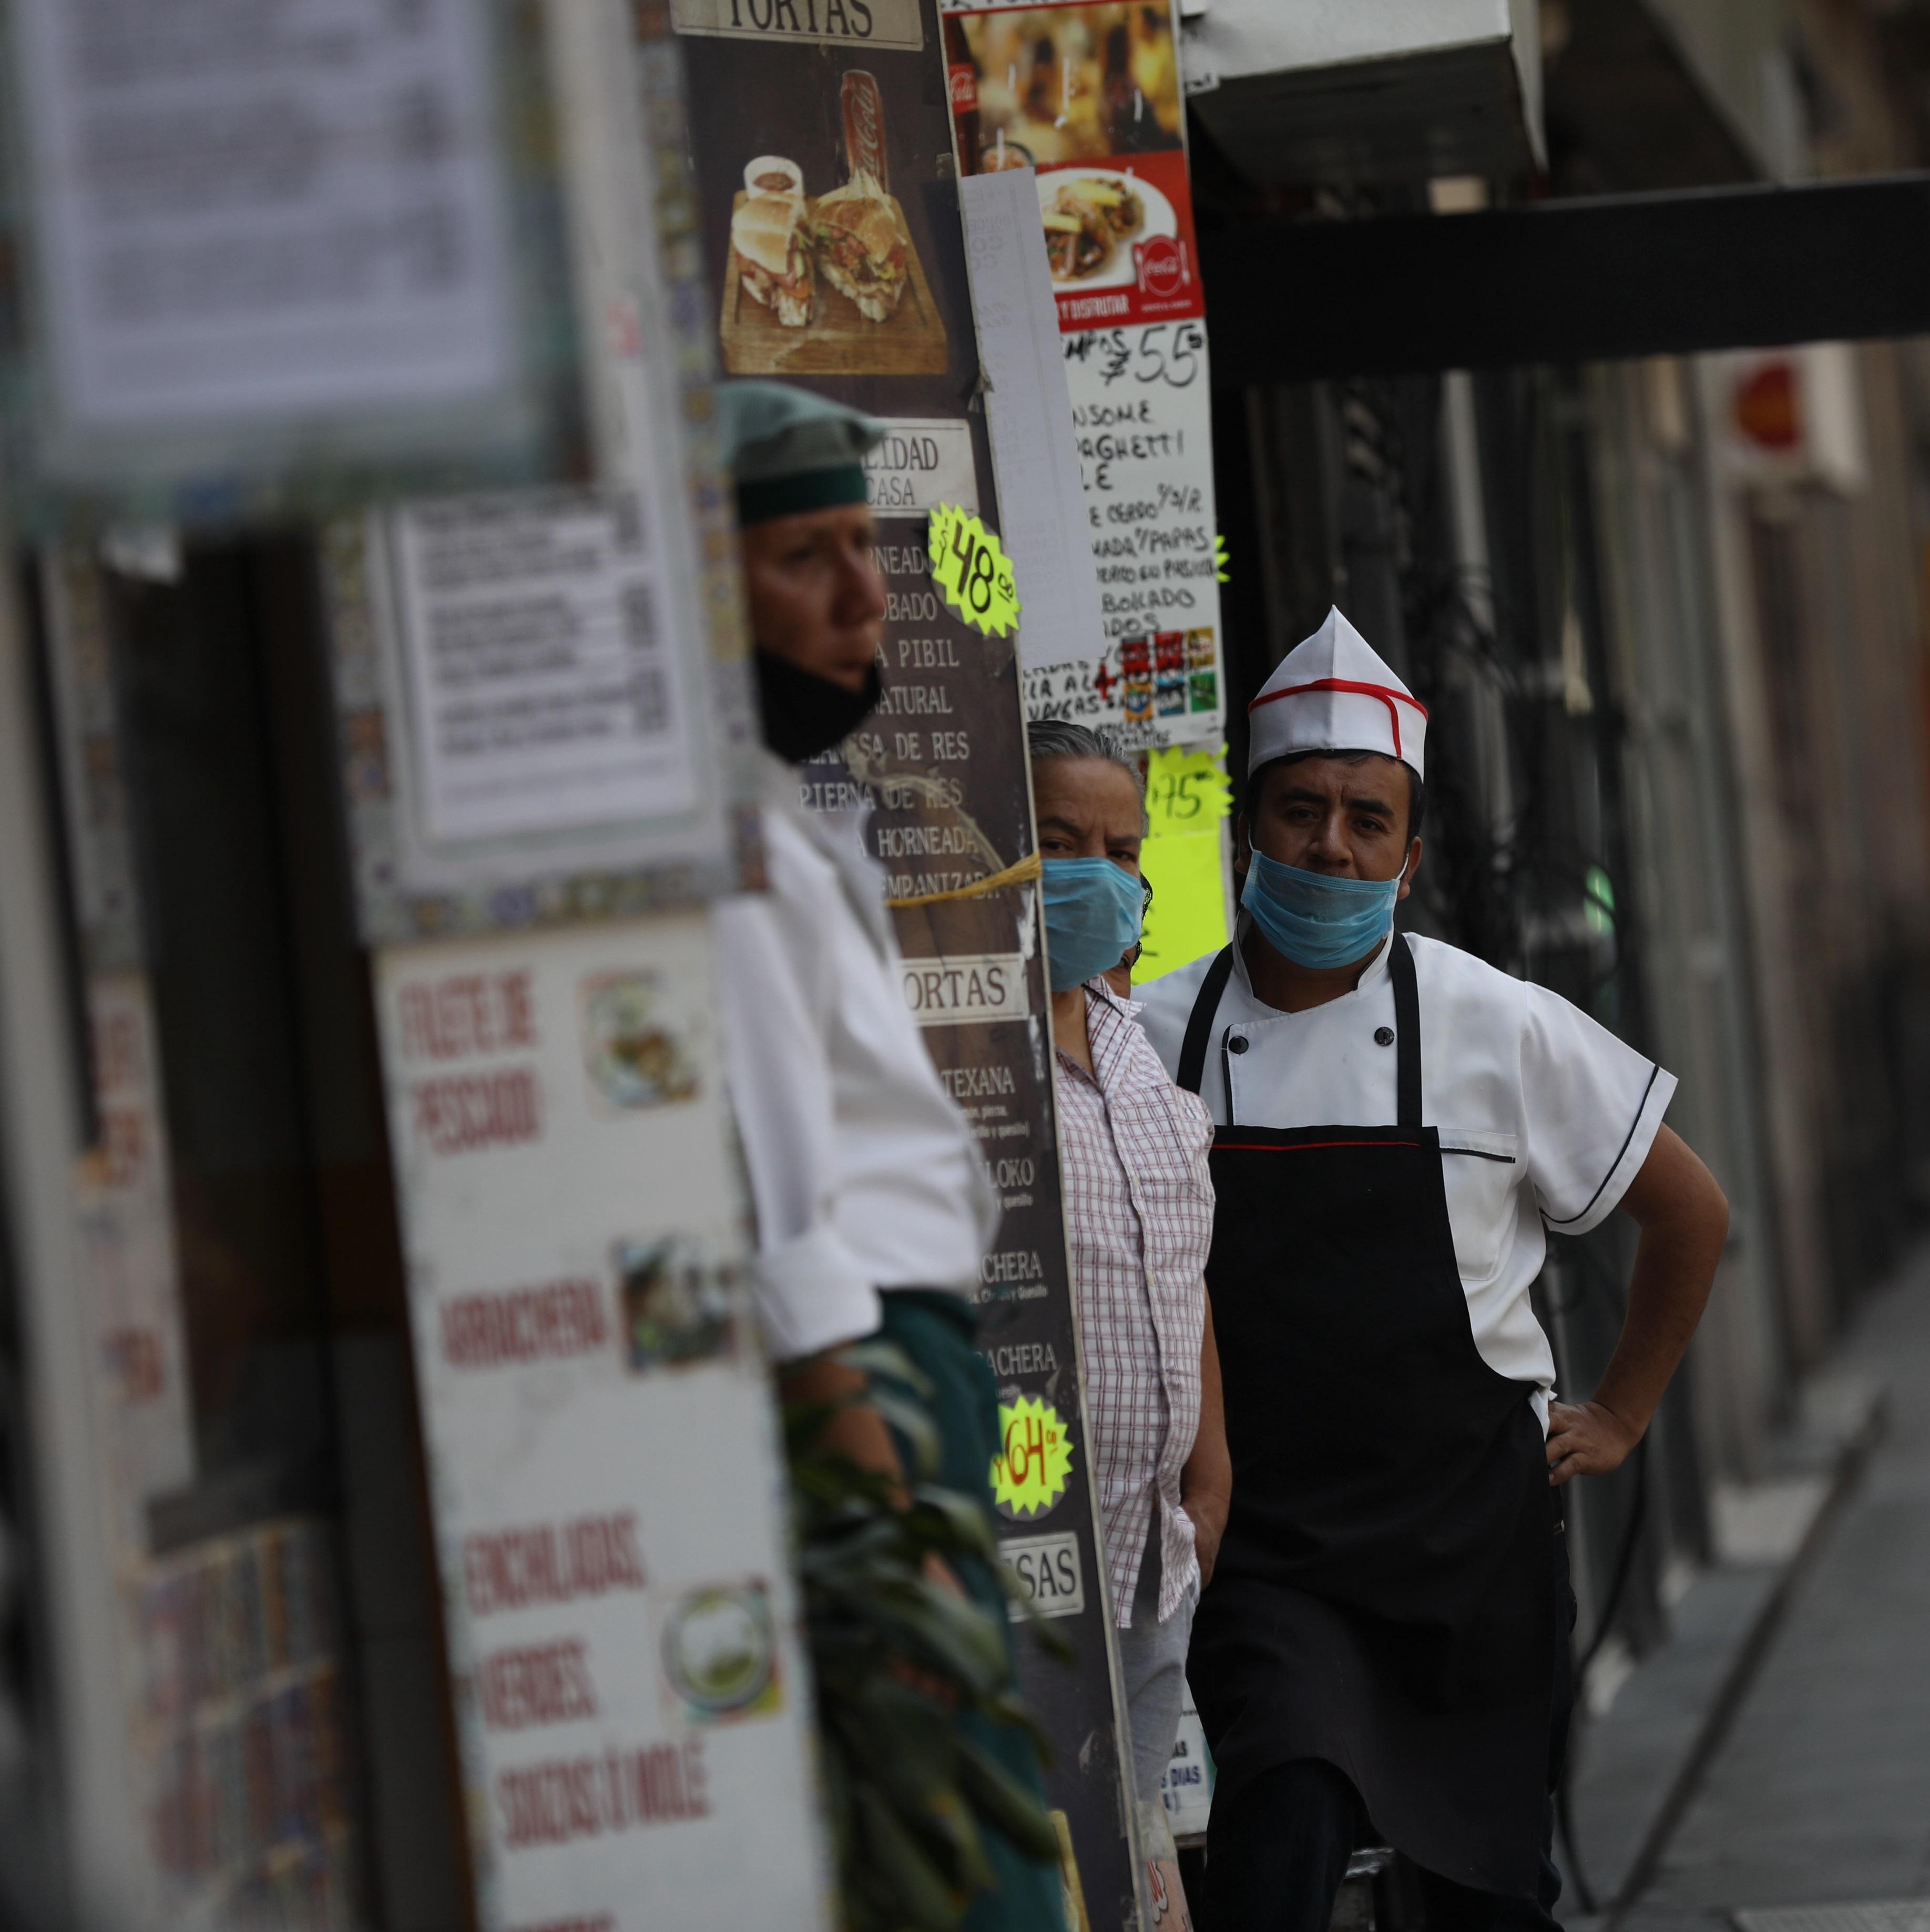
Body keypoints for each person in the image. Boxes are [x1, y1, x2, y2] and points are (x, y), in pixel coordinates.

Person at [1129, 610, 1732, 1932]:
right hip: (1268, 1545)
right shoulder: (1154, 1035)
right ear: (1247, 820)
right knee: (1282, 1818)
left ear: (1410, 853)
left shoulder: (1494, 1021)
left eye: (1365, 818)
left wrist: (1622, 1413)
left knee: (1487, 1894)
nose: (1328, 845)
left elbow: (1688, 1211)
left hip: (1469, 1548)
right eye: (1299, 810)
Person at [704, 380, 1063, 1929]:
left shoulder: (770, 812)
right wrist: (864, 1460)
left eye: (869, 547)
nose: (865, 598)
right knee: (953, 1839)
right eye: (805, 558)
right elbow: (778, 1191)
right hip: (869, 1380)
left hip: (910, 1371)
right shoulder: (714, 840)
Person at [1027, 718, 1227, 1924]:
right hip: (1035, 1579)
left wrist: (1209, 1478)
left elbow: (1179, 1259)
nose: (1100, 872)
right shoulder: (966, 1059)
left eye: (1122, 846)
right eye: (1059, 843)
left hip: (1157, 1565)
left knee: (1132, 1873)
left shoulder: (1132, 1044)